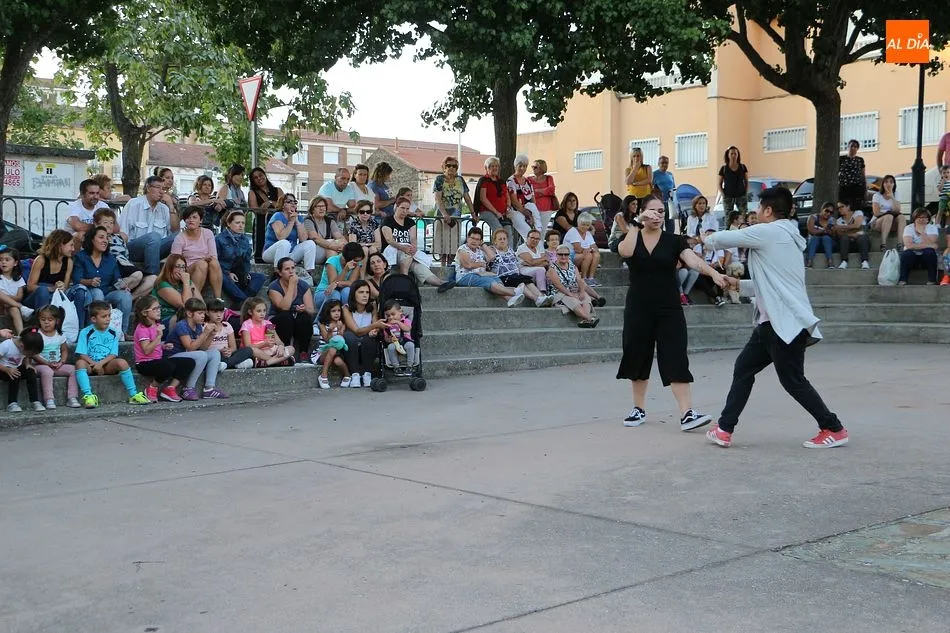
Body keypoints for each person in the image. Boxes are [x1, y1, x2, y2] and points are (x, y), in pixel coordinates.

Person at [703, 186, 848, 449]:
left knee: (793, 381)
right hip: (771, 323)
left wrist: (704, 238)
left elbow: (722, 239)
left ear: (768, 211)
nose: (757, 213)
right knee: (744, 368)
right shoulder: (786, 236)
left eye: (759, 208)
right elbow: (770, 284)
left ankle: (833, 428)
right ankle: (724, 428)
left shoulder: (770, 231)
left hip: (784, 324)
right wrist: (737, 284)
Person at [616, 195, 722, 430]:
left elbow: (692, 260)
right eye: (652, 211)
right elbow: (625, 251)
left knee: (675, 355)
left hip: (669, 307)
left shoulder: (674, 241)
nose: (657, 215)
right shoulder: (631, 235)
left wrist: (714, 274)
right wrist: (637, 223)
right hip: (638, 307)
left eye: (661, 211)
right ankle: (638, 409)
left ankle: (687, 414)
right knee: (637, 355)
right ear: (642, 212)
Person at [74, 301, 151, 408]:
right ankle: (89, 396)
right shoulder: (85, 332)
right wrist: (95, 364)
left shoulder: (114, 332)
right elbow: (82, 353)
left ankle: (133, 394)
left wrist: (101, 364)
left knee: (122, 363)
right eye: (104, 316)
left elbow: (113, 354)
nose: (108, 319)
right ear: (94, 319)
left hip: (106, 365)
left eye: (109, 315)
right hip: (90, 365)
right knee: (79, 363)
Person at [69, 227, 134, 333]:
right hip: (87, 293)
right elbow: (77, 279)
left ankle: (122, 332)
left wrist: (122, 286)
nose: (105, 241)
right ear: (92, 240)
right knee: (97, 292)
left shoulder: (111, 259)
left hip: (107, 293)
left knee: (126, 296)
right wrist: (89, 282)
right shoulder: (81, 257)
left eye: (107, 238)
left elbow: (116, 280)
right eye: (101, 237)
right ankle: (94, 331)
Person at [131, 295, 195, 403]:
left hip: (157, 361)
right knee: (167, 366)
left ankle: (170, 389)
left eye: (159, 307)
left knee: (189, 362)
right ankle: (152, 387)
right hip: (144, 364)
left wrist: (163, 346)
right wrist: (159, 336)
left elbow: (154, 346)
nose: (159, 310)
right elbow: (146, 350)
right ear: (144, 313)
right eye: (155, 308)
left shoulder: (156, 325)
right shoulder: (142, 329)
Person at [382, 197, 452, 291]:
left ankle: (440, 283)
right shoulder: (388, 220)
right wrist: (403, 248)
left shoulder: (410, 222)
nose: (405, 211)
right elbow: (389, 240)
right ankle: (405, 282)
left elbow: (413, 238)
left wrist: (413, 247)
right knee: (407, 254)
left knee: (419, 266)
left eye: (407, 209)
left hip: (408, 251)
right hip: (393, 250)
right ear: (396, 207)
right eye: (402, 208)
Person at [165, 298, 229, 400]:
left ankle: (209, 388)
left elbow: (203, 348)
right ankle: (188, 388)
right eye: (200, 313)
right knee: (201, 355)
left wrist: (211, 334)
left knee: (214, 353)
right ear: (189, 314)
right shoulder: (181, 325)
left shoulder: (198, 326)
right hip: (173, 356)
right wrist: (205, 333)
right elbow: (190, 347)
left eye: (204, 313)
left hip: (188, 356)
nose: (203, 316)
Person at [120, 175, 180, 276]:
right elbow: (123, 232)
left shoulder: (164, 208)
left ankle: (180, 271)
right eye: (158, 187)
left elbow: (175, 230)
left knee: (180, 236)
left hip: (157, 249)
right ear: (148, 188)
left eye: (163, 189)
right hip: (134, 250)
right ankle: (153, 277)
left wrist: (170, 206)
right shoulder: (133, 204)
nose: (161, 191)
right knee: (154, 236)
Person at [94, 208, 155, 300]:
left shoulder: (119, 238)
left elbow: (126, 255)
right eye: (105, 222)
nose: (109, 225)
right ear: (96, 224)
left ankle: (129, 299)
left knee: (153, 279)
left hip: (125, 265)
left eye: (111, 223)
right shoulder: (94, 239)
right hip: (110, 265)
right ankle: (111, 292)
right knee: (137, 274)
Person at [455, 227, 525, 307]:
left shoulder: (479, 250)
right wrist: (481, 264)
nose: (474, 241)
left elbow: (492, 257)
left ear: (480, 241)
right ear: (467, 238)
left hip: (480, 275)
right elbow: (468, 265)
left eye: (477, 239)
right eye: (472, 238)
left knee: (495, 277)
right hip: (465, 276)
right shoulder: (462, 249)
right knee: (488, 281)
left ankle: (509, 299)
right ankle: (514, 292)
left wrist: (483, 245)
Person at [32, 304, 80, 409]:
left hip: (56, 364)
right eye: (43, 319)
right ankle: (49, 399)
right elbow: (33, 354)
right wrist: (46, 363)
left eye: (50, 320)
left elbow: (64, 350)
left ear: (57, 321)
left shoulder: (59, 335)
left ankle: (72, 398)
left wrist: (62, 362)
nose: (46, 322)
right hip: (40, 365)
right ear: (39, 320)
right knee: (47, 371)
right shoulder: (37, 334)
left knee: (73, 369)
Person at [268, 257, 316, 361]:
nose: (291, 271)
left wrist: (305, 309)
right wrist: (292, 285)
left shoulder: (303, 285)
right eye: (287, 269)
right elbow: (284, 307)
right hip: (278, 320)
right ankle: (285, 350)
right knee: (286, 317)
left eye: (293, 268)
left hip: (297, 320)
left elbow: (311, 310)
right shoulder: (274, 287)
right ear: (280, 273)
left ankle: (303, 352)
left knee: (305, 318)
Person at [486, 230, 551, 307]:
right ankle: (536, 299)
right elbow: (488, 263)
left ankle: (541, 297)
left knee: (528, 280)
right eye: (500, 239)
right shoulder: (492, 250)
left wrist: (522, 263)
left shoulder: (510, 250)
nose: (502, 241)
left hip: (515, 275)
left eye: (504, 239)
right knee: (521, 282)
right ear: (495, 241)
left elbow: (516, 262)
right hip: (502, 277)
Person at [171, 206, 223, 298]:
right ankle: (194, 299)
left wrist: (205, 260)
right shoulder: (179, 238)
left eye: (194, 217)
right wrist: (201, 260)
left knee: (214, 262)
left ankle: (218, 299)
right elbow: (175, 261)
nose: (191, 220)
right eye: (188, 218)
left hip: (207, 266)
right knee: (202, 264)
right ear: (185, 220)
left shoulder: (208, 233)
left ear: (201, 220)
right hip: (187, 269)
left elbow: (213, 256)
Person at [545, 245, 602, 327]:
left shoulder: (572, 266)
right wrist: (571, 294)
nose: (563, 256)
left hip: (574, 290)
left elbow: (579, 280)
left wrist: (582, 292)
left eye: (566, 254)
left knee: (585, 298)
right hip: (559, 293)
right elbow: (558, 285)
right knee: (573, 301)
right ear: (556, 255)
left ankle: (585, 321)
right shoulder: (552, 269)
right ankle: (589, 318)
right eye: (561, 254)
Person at [342, 280, 385, 388]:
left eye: (367, 292)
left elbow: (375, 326)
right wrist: (373, 326)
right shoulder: (346, 308)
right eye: (361, 292)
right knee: (349, 336)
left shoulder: (372, 306)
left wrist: (375, 330)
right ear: (353, 294)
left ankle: (367, 374)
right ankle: (355, 374)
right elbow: (356, 331)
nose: (365, 295)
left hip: (366, 339)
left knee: (370, 338)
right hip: (353, 338)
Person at [216, 211, 265, 303]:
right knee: (223, 278)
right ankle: (246, 302)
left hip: (240, 272)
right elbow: (215, 261)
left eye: (243, 223)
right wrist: (228, 273)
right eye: (237, 223)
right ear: (229, 223)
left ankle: (244, 299)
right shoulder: (219, 239)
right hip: (225, 272)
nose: (241, 226)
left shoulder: (245, 239)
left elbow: (246, 260)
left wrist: (246, 274)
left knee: (260, 277)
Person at [433, 156, 473, 267]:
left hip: (456, 216)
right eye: (448, 165)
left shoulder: (460, 180)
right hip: (442, 216)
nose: (451, 168)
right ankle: (442, 267)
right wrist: (445, 214)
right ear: (444, 167)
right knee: (442, 243)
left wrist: (473, 213)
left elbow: (467, 198)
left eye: (454, 166)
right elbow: (438, 198)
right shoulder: (439, 179)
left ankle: (449, 266)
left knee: (453, 244)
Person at [262, 194, 318, 271]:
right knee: (284, 243)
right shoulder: (277, 216)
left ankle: (309, 272)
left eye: (295, 202)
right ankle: (277, 273)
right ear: (282, 205)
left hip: (290, 253)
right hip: (271, 253)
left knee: (310, 243)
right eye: (289, 201)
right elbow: (281, 237)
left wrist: (296, 221)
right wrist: (291, 222)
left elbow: (303, 239)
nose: (293, 204)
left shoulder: (299, 218)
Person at [24, 230, 74, 310]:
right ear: (60, 245)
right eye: (71, 245)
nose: (73, 249)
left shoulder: (68, 262)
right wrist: (51, 288)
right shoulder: (41, 260)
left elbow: (66, 287)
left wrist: (62, 287)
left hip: (55, 298)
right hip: (35, 299)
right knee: (43, 290)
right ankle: (42, 316)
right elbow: (30, 287)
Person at [239, 297, 295, 367]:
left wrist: (281, 347)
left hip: (269, 351)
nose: (262, 314)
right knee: (252, 350)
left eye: (264, 310)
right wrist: (264, 344)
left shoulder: (268, 324)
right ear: (250, 312)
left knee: (291, 349)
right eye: (259, 311)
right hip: (257, 352)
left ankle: (268, 362)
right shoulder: (247, 325)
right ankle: (279, 361)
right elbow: (248, 347)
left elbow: (278, 341)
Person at [313, 242, 364, 315]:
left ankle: (348, 318)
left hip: (341, 291)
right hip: (324, 293)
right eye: (356, 261)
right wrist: (345, 270)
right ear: (348, 259)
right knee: (335, 294)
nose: (358, 263)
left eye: (359, 261)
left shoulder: (357, 263)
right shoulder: (332, 261)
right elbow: (331, 284)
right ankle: (321, 320)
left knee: (347, 291)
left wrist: (337, 283)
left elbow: (351, 282)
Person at [0, 328, 43, 413]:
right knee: (16, 374)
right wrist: (7, 369)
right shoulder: (6, 345)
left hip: (15, 367)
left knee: (31, 373)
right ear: (22, 346)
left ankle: (35, 401)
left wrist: (27, 364)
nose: (30, 355)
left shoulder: (25, 345)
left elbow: (25, 356)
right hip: (3, 369)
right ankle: (12, 403)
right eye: (30, 353)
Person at [205, 298, 255, 370]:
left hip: (226, 355)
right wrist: (219, 351)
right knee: (216, 355)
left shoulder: (227, 325)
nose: (219, 315)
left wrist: (229, 351)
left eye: (221, 312)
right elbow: (203, 348)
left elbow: (233, 347)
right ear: (207, 313)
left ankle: (225, 364)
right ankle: (235, 364)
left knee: (248, 350)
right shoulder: (205, 326)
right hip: (213, 356)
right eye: (215, 312)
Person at [152, 254, 195, 333]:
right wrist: (186, 283)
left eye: (183, 267)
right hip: (164, 322)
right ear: (169, 268)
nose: (181, 270)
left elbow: (201, 304)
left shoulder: (187, 282)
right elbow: (186, 305)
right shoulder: (162, 284)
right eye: (177, 266)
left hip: (183, 318)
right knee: (184, 318)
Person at [506, 153, 542, 240]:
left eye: (525, 166)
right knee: (527, 233)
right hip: (516, 210)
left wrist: (532, 214)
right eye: (520, 166)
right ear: (515, 166)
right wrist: (527, 214)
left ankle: (538, 234)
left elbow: (533, 199)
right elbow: (514, 202)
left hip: (528, 209)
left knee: (536, 231)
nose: (523, 168)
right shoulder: (511, 181)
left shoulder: (528, 181)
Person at [899, 208, 939, 285]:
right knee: (906, 254)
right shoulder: (908, 228)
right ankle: (903, 279)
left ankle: (932, 280)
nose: (921, 219)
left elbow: (931, 243)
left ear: (928, 219)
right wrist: (929, 245)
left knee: (930, 252)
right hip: (911, 258)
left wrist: (922, 232)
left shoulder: (932, 228)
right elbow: (908, 245)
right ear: (914, 218)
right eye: (919, 217)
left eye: (924, 217)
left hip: (926, 258)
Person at [63, 179, 109, 246]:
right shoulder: (73, 206)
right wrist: (100, 226)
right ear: (82, 194)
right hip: (72, 243)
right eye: (91, 193)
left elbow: (115, 227)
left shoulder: (103, 205)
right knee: (80, 234)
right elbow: (78, 226)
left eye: (97, 193)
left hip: (96, 239)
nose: (96, 197)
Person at [316, 300, 350, 389]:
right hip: (323, 352)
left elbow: (341, 340)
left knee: (338, 361)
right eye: (333, 311)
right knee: (332, 348)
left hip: (338, 352)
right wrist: (330, 331)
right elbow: (327, 340)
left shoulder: (342, 324)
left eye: (339, 311)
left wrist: (339, 330)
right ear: (328, 312)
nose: (337, 313)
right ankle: (323, 376)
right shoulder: (323, 324)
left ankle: (347, 375)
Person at [304, 196, 346, 266]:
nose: (321, 208)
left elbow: (339, 237)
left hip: (329, 250)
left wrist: (343, 245)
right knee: (331, 243)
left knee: (338, 244)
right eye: (318, 206)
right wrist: (331, 245)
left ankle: (334, 271)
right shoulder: (308, 221)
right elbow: (315, 238)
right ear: (312, 209)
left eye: (323, 206)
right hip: (313, 253)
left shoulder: (330, 221)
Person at [563, 212, 601, 286]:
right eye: (583, 224)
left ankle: (591, 278)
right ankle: (584, 278)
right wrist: (590, 249)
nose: (585, 227)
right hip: (569, 256)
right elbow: (578, 249)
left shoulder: (588, 233)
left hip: (581, 255)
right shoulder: (573, 231)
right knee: (588, 255)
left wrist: (591, 249)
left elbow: (595, 247)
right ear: (578, 223)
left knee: (596, 255)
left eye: (587, 225)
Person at [473, 157, 508, 236]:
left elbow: (506, 195)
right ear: (486, 168)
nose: (494, 168)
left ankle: (508, 245)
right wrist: (496, 212)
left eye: (496, 166)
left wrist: (508, 207)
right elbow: (483, 199)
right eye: (492, 166)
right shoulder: (484, 180)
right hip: (487, 211)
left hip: (502, 213)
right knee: (499, 231)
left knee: (508, 231)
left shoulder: (501, 181)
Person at [693, 229, 728, 307]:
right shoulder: (698, 247)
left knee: (721, 270)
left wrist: (710, 268)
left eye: (712, 235)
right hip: (702, 274)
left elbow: (720, 263)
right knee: (697, 275)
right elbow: (696, 263)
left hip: (712, 274)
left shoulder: (718, 248)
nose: (709, 237)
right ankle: (715, 297)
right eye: (707, 235)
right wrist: (704, 254)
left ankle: (720, 295)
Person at [0, 245, 30, 333]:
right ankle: (22, 308)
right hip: (1, 307)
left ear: (15, 263)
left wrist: (6, 299)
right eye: (0, 260)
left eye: (7, 260)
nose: (3, 262)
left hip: (12, 307)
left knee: (14, 309)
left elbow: (19, 297)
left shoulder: (19, 278)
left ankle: (21, 334)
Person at [870, 174, 905, 250]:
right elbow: (876, 213)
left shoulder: (896, 194)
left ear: (894, 184)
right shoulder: (877, 195)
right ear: (883, 184)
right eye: (886, 182)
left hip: (892, 222)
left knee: (902, 217)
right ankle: (883, 244)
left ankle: (900, 244)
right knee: (889, 216)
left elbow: (898, 210)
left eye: (891, 182)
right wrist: (888, 213)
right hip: (877, 222)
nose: (888, 184)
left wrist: (892, 197)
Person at [833, 200, 870, 270]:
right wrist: (854, 232)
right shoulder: (839, 220)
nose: (840, 209)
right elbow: (840, 234)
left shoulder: (857, 213)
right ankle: (844, 261)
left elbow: (857, 225)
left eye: (842, 207)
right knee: (844, 238)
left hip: (862, 243)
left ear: (848, 207)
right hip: (847, 246)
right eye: (838, 208)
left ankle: (864, 261)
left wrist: (841, 228)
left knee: (862, 237)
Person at [347, 200, 382, 272]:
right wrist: (366, 246)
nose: (365, 214)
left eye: (368, 212)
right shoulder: (353, 224)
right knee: (365, 250)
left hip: (373, 249)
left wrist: (365, 244)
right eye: (362, 212)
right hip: (358, 251)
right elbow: (353, 245)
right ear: (357, 212)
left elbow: (378, 243)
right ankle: (362, 275)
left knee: (372, 249)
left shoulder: (374, 223)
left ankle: (374, 273)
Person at [381, 299, 414, 367]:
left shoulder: (406, 320)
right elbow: (386, 338)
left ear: (400, 312)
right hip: (394, 343)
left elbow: (407, 329)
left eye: (393, 314)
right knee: (390, 347)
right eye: (388, 315)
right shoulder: (387, 325)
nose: (391, 317)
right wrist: (389, 340)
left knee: (410, 345)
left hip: (405, 341)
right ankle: (396, 366)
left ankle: (410, 365)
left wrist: (398, 322)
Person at [838, 139, 867, 213]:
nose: (853, 148)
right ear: (848, 147)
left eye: (855, 147)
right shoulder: (841, 159)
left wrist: (865, 187)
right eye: (851, 146)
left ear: (857, 149)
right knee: (844, 207)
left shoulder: (860, 160)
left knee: (855, 207)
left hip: (856, 187)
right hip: (844, 187)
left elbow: (863, 174)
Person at [718, 146, 749, 214]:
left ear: (738, 155)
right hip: (728, 197)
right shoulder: (723, 168)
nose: (733, 155)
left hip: (741, 196)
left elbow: (746, 181)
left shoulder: (743, 167)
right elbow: (719, 184)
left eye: (735, 153)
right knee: (728, 216)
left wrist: (745, 193)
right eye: (731, 153)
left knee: (743, 215)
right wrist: (723, 195)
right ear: (728, 155)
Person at [528, 158, 557, 229]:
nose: (533, 168)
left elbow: (551, 190)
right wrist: (544, 192)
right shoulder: (528, 179)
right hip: (532, 209)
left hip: (546, 209)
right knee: (532, 231)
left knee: (542, 231)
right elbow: (528, 193)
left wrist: (536, 191)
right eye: (532, 167)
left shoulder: (548, 178)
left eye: (535, 167)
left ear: (542, 168)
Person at [805, 203, 836, 268]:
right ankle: (809, 261)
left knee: (826, 238)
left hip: (827, 245)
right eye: (827, 211)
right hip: (813, 244)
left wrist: (831, 232)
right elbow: (811, 231)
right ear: (822, 209)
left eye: (831, 212)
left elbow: (834, 235)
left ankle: (830, 261)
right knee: (815, 238)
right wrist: (824, 230)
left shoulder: (832, 220)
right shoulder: (813, 217)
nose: (828, 213)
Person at [653, 156, 677, 232]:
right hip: (659, 204)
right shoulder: (654, 174)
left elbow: (674, 188)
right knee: (659, 226)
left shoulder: (670, 174)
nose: (664, 164)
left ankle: (670, 239)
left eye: (666, 163)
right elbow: (651, 189)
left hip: (670, 203)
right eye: (662, 163)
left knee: (671, 226)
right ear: (658, 164)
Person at [936, 164, 950, 229]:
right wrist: (943, 182)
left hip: (949, 200)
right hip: (943, 199)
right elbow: (939, 189)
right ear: (941, 174)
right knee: (940, 211)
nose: (946, 174)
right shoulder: (941, 181)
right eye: (944, 173)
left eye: (948, 172)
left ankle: (947, 225)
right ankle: (937, 224)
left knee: (949, 213)